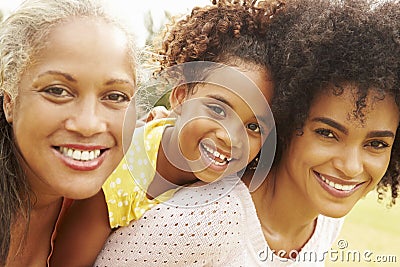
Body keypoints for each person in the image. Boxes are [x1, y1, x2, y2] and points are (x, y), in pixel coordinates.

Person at [94, 0, 400, 266]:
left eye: (376, 143)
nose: (351, 168)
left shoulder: (326, 217)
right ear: (284, 121)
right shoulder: (200, 220)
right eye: (327, 133)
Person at [51, 0, 278, 266]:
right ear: (180, 97)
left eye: (253, 127)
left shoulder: (238, 180)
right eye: (217, 110)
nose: (230, 137)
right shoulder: (119, 176)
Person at [0, 0, 139, 265]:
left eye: (115, 96)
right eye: (57, 91)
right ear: (9, 100)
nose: (89, 124)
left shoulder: (113, 197)